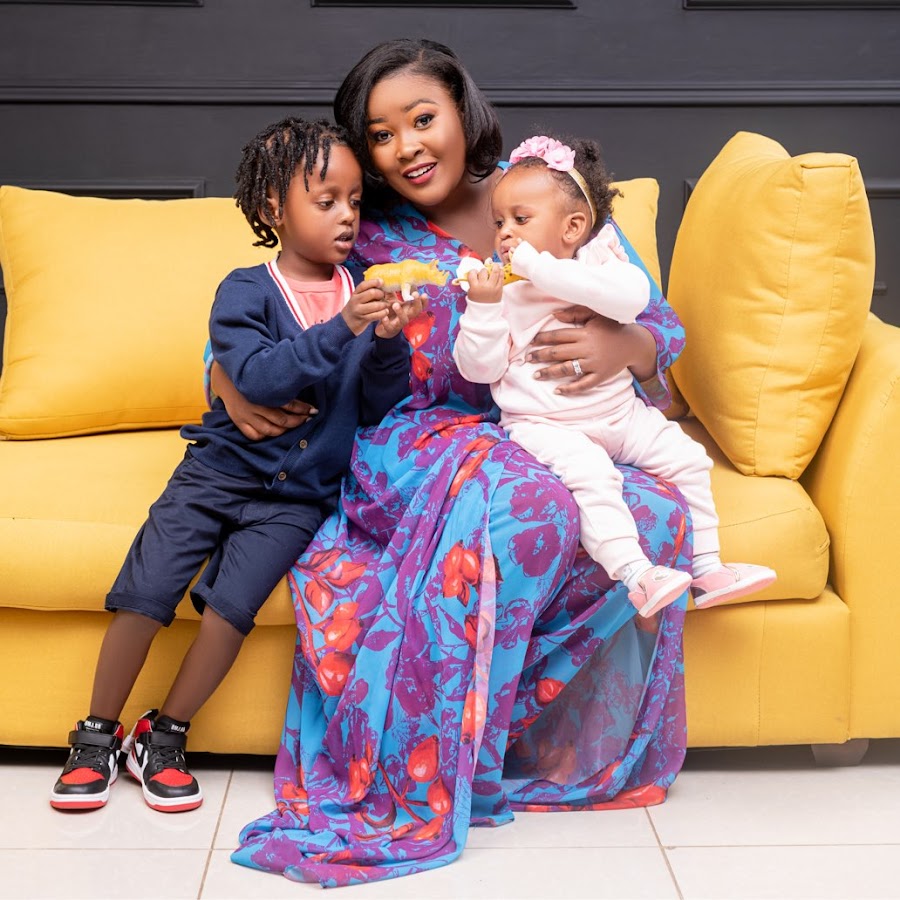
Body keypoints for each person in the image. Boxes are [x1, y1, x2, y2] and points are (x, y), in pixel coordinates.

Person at [212, 39, 692, 887]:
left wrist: (632, 346)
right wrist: (219, 372)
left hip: (558, 426)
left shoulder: (545, 189)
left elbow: (656, 318)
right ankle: (438, 759)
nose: (407, 147)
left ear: (464, 114)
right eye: (381, 134)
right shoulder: (362, 226)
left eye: (423, 119)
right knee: (530, 505)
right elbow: (273, 301)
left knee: (656, 515)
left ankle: (515, 740)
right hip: (422, 435)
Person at [49, 116, 420, 814]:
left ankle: (165, 734)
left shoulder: (366, 289)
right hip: (215, 474)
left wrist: (387, 345)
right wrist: (343, 327)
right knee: (146, 592)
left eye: (354, 201)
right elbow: (257, 376)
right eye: (326, 201)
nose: (347, 216)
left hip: (297, 501)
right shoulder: (246, 290)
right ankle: (95, 733)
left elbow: (376, 405)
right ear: (274, 208)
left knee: (230, 613)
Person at [453, 134, 776, 619]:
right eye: (499, 222)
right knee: (593, 477)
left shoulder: (601, 263)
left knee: (688, 459)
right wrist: (481, 309)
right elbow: (480, 368)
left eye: (520, 219)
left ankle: (708, 569)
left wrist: (537, 267)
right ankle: (637, 574)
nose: (505, 234)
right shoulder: (506, 293)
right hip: (546, 426)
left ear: (573, 227)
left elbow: (629, 302)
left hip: (620, 415)